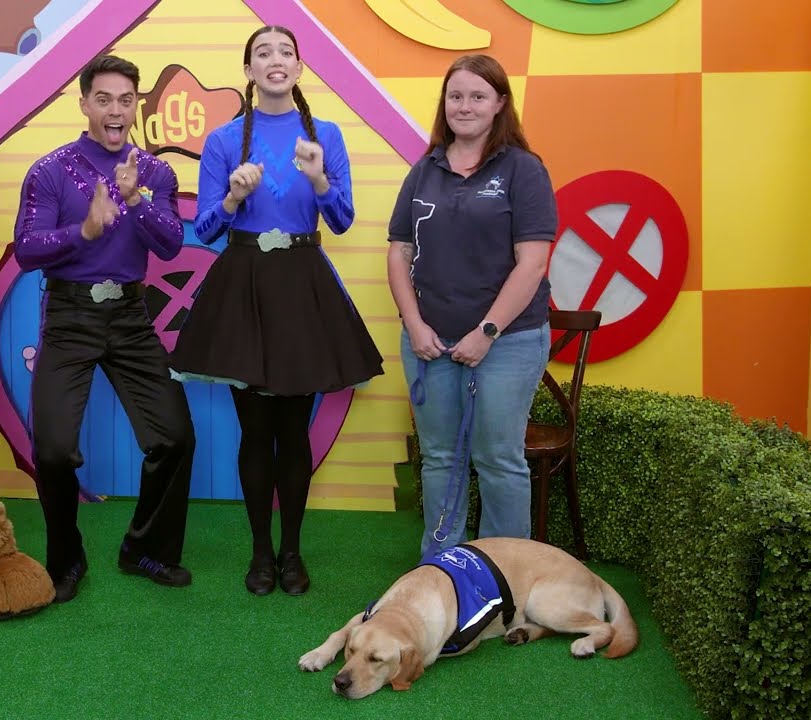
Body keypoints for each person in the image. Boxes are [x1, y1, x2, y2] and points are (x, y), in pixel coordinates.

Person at [169, 26, 384, 597]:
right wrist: (234, 197)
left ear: (298, 67)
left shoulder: (326, 135)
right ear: (249, 69)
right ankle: (260, 554)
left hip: (301, 283)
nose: (275, 60)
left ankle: (293, 553)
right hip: (242, 283)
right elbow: (210, 228)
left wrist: (318, 178)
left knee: (294, 429)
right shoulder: (223, 140)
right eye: (263, 52)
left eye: (285, 52)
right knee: (254, 430)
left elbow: (341, 220)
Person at [13, 55, 196, 603]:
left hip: (130, 317)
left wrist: (135, 199)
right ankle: (66, 562)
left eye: (126, 100)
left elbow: (169, 243)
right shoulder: (50, 170)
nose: (116, 110)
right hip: (70, 318)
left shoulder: (156, 172)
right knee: (52, 450)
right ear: (85, 104)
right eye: (105, 99)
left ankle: (146, 550)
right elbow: (26, 249)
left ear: (135, 105)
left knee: (174, 436)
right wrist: (86, 229)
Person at [385, 54, 556, 558]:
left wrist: (487, 332)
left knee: (498, 458)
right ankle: (441, 567)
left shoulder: (523, 170)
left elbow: (532, 263)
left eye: (478, 96)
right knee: (438, 458)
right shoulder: (426, 169)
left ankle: (506, 575)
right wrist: (414, 325)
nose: (464, 106)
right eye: (455, 96)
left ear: (500, 103)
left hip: (508, 340)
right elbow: (398, 250)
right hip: (428, 342)